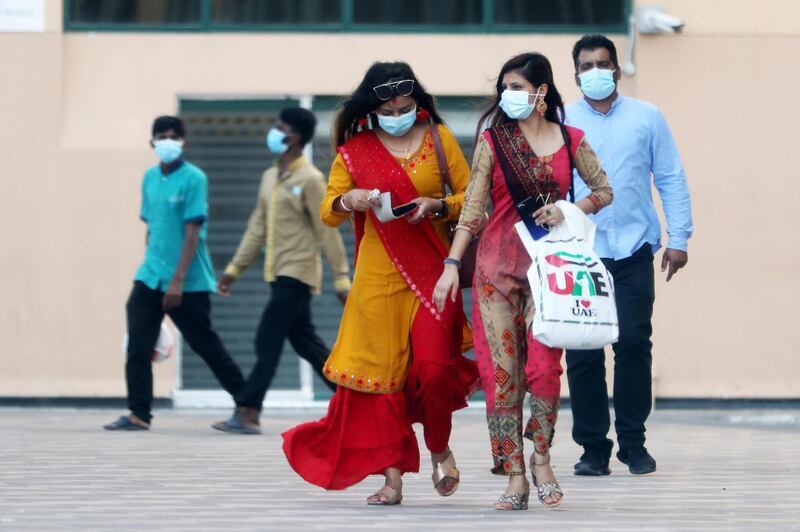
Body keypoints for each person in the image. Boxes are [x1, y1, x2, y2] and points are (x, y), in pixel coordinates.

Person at [282, 62, 479, 506]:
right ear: (372, 108)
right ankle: (392, 479)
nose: (397, 113)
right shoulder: (355, 150)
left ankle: (439, 446)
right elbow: (329, 212)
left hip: (433, 270)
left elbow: (470, 200)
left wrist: (436, 204)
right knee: (382, 380)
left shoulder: (439, 139)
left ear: (417, 103)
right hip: (376, 277)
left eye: (405, 106)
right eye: (388, 108)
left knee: (435, 369)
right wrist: (349, 198)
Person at [434, 52, 613, 510]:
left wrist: (570, 210)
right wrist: (453, 266)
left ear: (541, 92)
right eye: (505, 88)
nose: (508, 95)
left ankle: (542, 457)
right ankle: (514, 475)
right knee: (502, 377)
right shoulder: (494, 142)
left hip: (549, 275)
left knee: (543, 370)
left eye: (517, 87)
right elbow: (473, 209)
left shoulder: (571, 139)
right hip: (496, 272)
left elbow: (604, 191)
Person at [564, 35, 694, 476]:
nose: (595, 71)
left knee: (634, 343)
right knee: (583, 351)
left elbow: (671, 178)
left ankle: (633, 442)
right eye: (586, 66)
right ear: (576, 73)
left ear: (617, 71)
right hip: (581, 252)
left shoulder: (647, 117)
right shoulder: (562, 123)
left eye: (603, 64)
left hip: (635, 249)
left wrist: (679, 238)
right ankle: (593, 448)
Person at [212, 107, 350, 434]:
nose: (274, 133)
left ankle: (248, 410)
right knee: (306, 343)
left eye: (280, 128)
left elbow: (326, 230)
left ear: (295, 136)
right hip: (277, 274)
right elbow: (256, 229)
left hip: (298, 273)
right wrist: (233, 269)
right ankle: (353, 398)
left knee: (267, 339)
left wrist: (341, 276)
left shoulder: (311, 179)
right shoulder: (270, 178)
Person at [104, 116, 246, 431]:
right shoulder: (149, 178)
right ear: (152, 143)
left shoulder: (194, 178)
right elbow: (153, 228)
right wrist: (151, 267)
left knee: (205, 345)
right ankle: (139, 413)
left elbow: (192, 231)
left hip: (187, 281)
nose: (167, 141)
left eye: (173, 136)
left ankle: (247, 405)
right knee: (138, 345)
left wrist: (177, 282)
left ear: (183, 141)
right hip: (150, 275)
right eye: (161, 136)